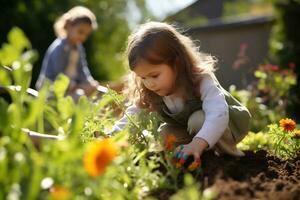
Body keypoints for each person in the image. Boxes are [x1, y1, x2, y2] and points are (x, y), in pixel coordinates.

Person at [110, 21, 251, 162]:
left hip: (227, 124)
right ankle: (188, 157)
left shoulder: (199, 79)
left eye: (154, 76)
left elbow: (218, 114)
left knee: (198, 120)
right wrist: (112, 135)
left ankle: (226, 157)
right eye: (143, 77)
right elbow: (133, 114)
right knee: (164, 133)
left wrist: (198, 143)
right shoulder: (150, 90)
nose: (149, 83)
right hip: (191, 130)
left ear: (177, 63)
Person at [36, 6, 103, 97]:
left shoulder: (79, 48)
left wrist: (90, 82)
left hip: (69, 89)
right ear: (68, 26)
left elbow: (82, 69)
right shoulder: (60, 47)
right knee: (80, 98)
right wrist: (80, 86)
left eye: (86, 35)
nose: (83, 37)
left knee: (93, 97)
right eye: (80, 32)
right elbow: (59, 75)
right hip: (50, 89)